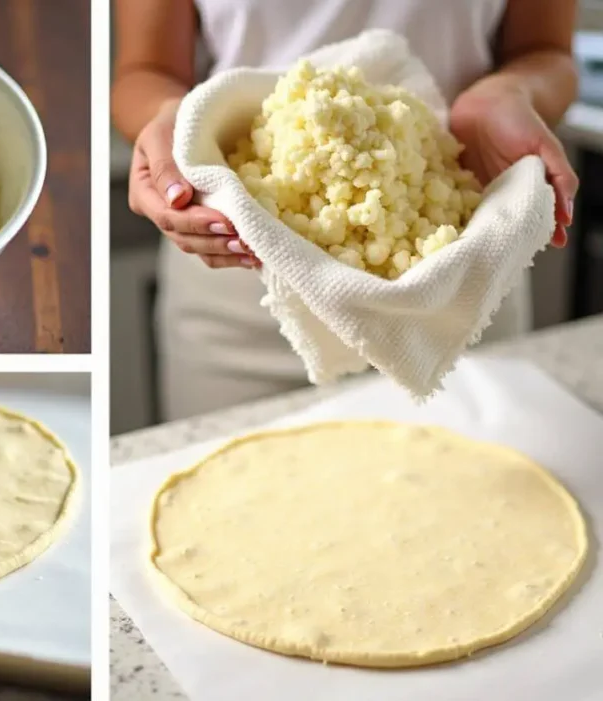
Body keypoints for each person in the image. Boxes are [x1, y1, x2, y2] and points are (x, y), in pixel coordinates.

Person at [112, 0, 579, 421]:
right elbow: (144, 71)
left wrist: (515, 93)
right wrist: (171, 124)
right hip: (244, 287)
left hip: (460, 281)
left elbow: (546, 52)